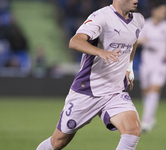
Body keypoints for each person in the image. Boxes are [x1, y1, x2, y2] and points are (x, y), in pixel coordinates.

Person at [36, 0, 145, 149]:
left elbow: (133, 40)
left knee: (133, 130)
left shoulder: (138, 20)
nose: (136, 0)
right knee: (58, 142)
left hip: (115, 92)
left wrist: (129, 66)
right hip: (88, 90)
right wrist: (101, 52)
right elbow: (75, 42)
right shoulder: (102, 16)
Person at [138, 0, 166, 132]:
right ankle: (151, 116)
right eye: (162, 10)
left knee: (154, 89)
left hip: (161, 64)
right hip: (146, 63)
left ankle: (145, 121)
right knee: (146, 91)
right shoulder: (146, 24)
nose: (164, 13)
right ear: (154, 11)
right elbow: (136, 40)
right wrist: (142, 41)